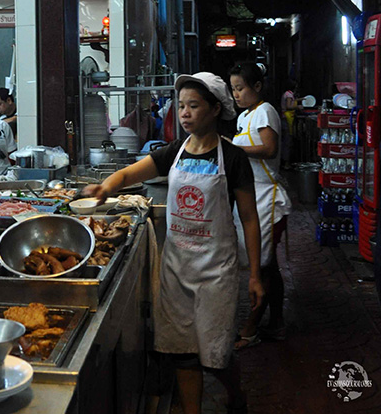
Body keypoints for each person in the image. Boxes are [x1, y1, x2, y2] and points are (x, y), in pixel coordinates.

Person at [82, 72, 263, 414]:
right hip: (177, 267)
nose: (185, 113)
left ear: (215, 109)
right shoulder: (172, 153)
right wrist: (105, 187)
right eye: (181, 106)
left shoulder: (234, 158)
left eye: (194, 106)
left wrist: (254, 274)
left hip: (216, 271)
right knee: (183, 352)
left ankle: (236, 396)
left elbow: (250, 219)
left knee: (217, 354)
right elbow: (128, 175)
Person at [229, 62, 292, 349]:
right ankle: (276, 322)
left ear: (257, 86)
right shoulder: (245, 116)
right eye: (233, 90)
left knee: (263, 266)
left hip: (267, 200)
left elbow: (269, 149)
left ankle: (251, 327)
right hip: (252, 197)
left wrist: (233, 149)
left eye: (240, 88)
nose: (236, 95)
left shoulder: (266, 111)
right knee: (268, 266)